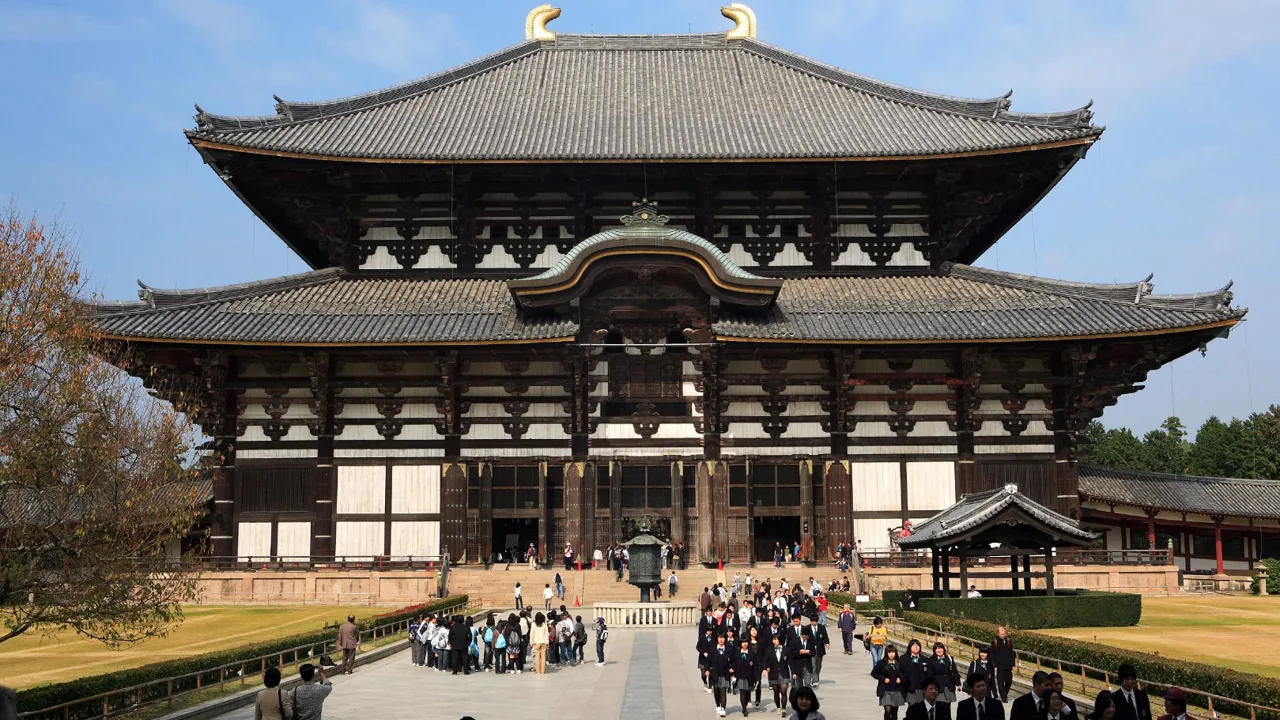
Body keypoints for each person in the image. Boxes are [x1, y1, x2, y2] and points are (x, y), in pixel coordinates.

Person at [872, 644, 908, 720]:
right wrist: (883, 678)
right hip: (886, 690)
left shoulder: (899, 663)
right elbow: (874, 673)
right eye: (889, 652)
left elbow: (906, 673)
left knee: (895, 712)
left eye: (893, 652)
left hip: (897, 690)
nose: (892, 654)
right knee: (888, 710)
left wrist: (900, 679)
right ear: (886, 653)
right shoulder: (881, 663)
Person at [765, 633, 793, 717]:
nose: (774, 641)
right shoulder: (769, 649)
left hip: (784, 673)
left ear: (780, 640)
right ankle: (778, 707)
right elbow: (765, 660)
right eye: (773, 639)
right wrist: (766, 667)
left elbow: (790, 662)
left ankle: (783, 709)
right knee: (776, 691)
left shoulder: (786, 649)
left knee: (784, 691)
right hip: (773, 673)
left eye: (776, 639)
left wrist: (794, 672)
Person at [709, 632, 734, 717]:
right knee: (716, 692)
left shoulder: (729, 649)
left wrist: (731, 668)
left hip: (725, 674)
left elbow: (733, 660)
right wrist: (707, 670)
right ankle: (718, 706)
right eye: (720, 638)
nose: (721, 640)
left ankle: (723, 708)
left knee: (723, 691)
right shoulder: (712, 649)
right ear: (717, 639)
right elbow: (708, 661)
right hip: (715, 674)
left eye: (723, 638)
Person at [988, 626, 1015, 704]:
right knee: (1000, 682)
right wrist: (994, 665)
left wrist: (1013, 663)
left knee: (1009, 681)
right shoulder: (995, 642)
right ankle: (1003, 697)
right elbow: (992, 654)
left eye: (1004, 634)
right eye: (1001, 634)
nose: (1003, 635)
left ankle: (1005, 693)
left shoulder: (1009, 641)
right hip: (999, 666)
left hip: (1008, 666)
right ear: (998, 634)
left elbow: (1012, 653)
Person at [733, 637, 758, 717]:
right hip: (740, 676)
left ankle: (745, 704)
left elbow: (755, 667)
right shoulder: (736, 653)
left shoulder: (752, 654)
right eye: (743, 642)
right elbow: (733, 664)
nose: (745, 644)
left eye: (746, 642)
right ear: (740, 644)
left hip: (749, 677)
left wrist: (757, 678)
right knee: (742, 692)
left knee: (747, 693)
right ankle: (744, 709)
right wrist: (732, 674)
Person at [903, 639, 929, 706]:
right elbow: (901, 672)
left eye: (918, 645)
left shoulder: (925, 659)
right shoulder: (904, 658)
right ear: (909, 647)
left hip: (921, 688)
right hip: (910, 688)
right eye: (914, 645)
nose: (916, 647)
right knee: (912, 707)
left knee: (921, 708)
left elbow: (929, 673)